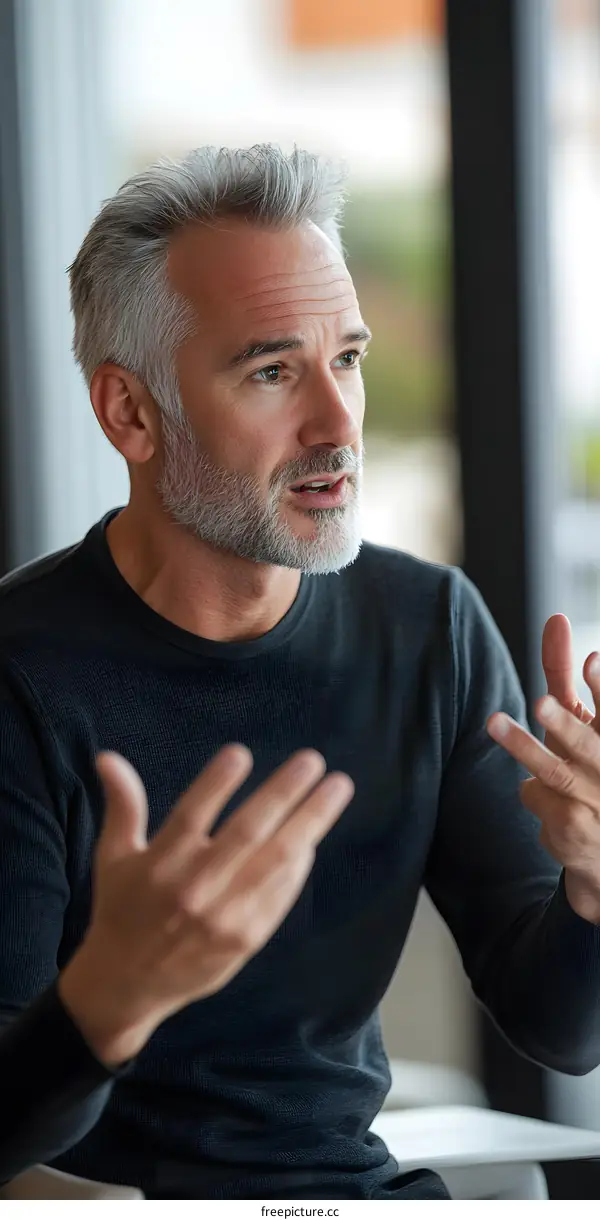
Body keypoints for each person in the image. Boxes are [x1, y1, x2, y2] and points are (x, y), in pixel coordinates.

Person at [1, 144, 600, 1202]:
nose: (337, 424)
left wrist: (594, 886)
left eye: (349, 359)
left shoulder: (430, 626)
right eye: (272, 372)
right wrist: (110, 998)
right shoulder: (20, 672)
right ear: (130, 412)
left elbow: (561, 1029)